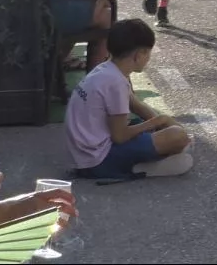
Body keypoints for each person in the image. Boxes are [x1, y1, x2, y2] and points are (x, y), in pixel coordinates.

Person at [66, 19, 193, 180]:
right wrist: (159, 124)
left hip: (86, 155)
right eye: (148, 53)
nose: (148, 58)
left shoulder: (107, 69)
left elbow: (135, 104)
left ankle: (169, 150)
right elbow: (119, 136)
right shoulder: (115, 82)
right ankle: (145, 168)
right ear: (139, 55)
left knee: (163, 128)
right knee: (176, 137)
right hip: (98, 162)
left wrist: (163, 121)